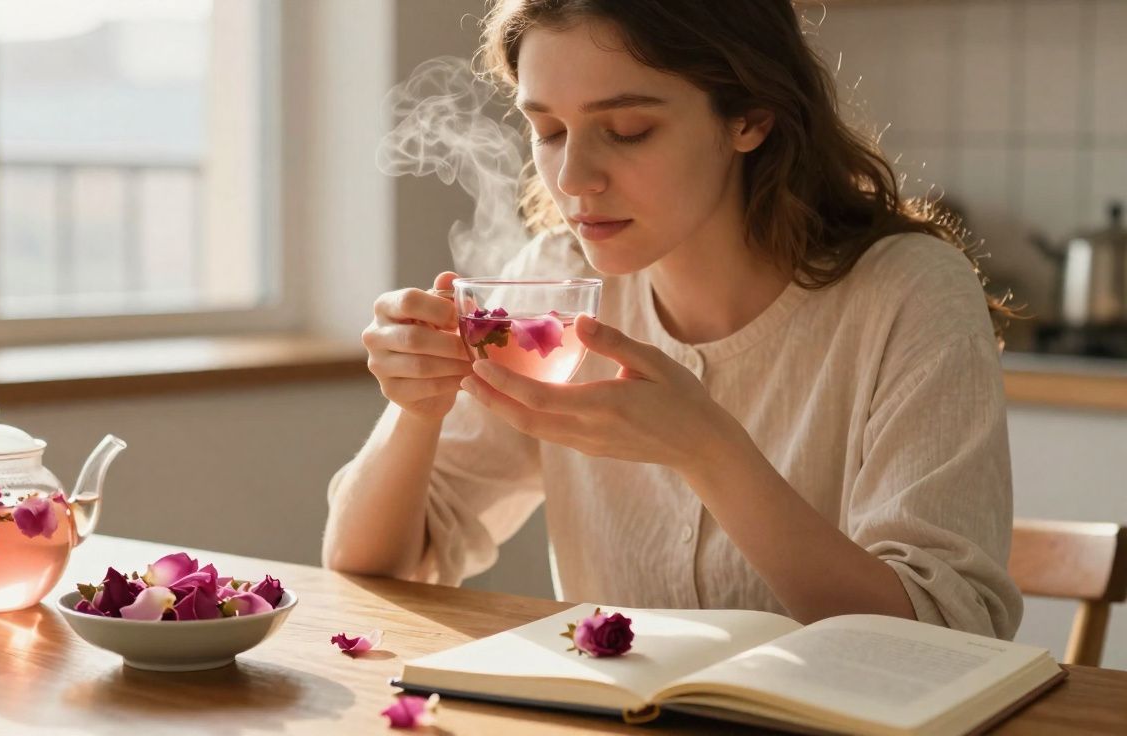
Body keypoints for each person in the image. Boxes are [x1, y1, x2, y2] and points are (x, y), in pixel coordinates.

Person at [322, 0, 1022, 639]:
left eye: (627, 130)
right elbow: (371, 564)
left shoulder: (909, 296)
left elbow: (947, 639)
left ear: (749, 116)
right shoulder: (558, 288)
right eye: (549, 129)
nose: (572, 179)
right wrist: (417, 408)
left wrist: (709, 451)